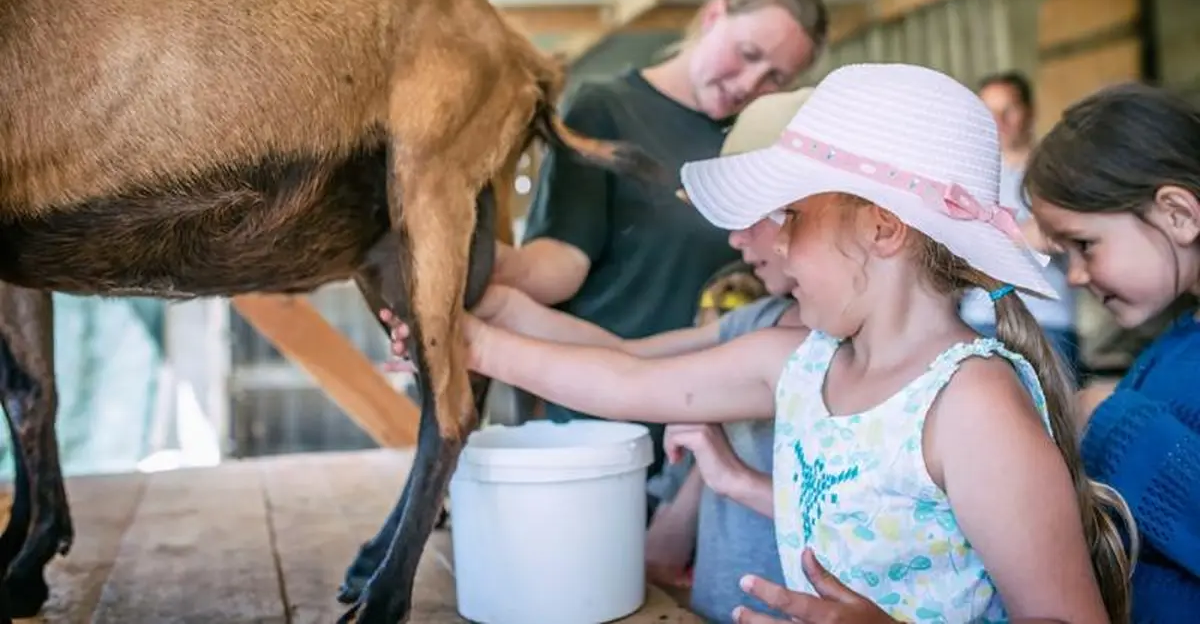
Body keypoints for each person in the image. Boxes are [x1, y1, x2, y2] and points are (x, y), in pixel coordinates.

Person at [387, 63, 1134, 623]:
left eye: (792, 217)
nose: (772, 241)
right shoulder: (801, 362)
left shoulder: (971, 406)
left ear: (881, 226)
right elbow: (623, 381)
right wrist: (466, 343)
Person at [490, 0, 828, 478]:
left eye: (777, 78)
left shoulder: (761, 137)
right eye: (749, 54)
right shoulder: (607, 110)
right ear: (714, 15)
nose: (750, 84)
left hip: (718, 432)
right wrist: (480, 275)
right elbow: (560, 262)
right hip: (604, 414)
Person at [1021, 81, 1200, 623]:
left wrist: (1110, 419)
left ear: (1178, 215)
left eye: (1085, 245)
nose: (1074, 276)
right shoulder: (1175, 344)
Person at [959, 71, 1081, 383]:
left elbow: (1062, 234)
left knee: (1053, 425)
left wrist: (986, 234)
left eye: (1008, 109)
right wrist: (1021, 232)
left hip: (1046, 321)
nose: (999, 121)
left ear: (1030, 111)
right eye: (989, 112)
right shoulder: (968, 176)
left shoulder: (1060, 170)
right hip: (980, 319)